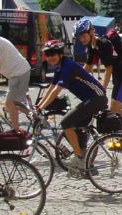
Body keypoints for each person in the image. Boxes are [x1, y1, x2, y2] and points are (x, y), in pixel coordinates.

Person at [35, 39, 108, 176]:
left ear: (60, 54)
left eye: (53, 54)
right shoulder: (59, 67)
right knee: (77, 129)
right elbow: (51, 88)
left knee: (65, 123)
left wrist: (41, 108)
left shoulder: (68, 66)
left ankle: (80, 158)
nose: (50, 58)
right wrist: (39, 105)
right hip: (90, 99)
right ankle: (88, 166)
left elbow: (57, 91)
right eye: (48, 55)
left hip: (96, 99)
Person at [75, 18, 122, 116]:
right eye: (80, 37)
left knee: (114, 110)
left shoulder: (103, 44)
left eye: (83, 36)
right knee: (116, 111)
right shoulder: (92, 46)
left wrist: (102, 89)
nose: (82, 39)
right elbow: (88, 66)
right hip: (117, 77)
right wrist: (76, 77)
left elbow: (108, 69)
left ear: (91, 32)